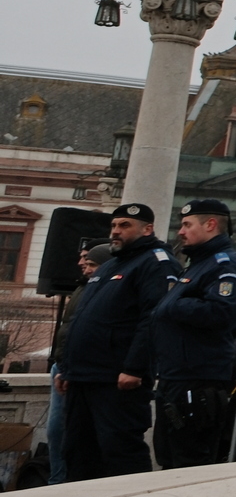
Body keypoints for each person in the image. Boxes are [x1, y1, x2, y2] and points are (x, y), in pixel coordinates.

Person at [61, 203, 178, 480]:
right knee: (77, 452)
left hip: (118, 377)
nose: (116, 231)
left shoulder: (156, 262)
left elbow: (153, 319)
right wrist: (68, 368)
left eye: (124, 226)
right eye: (114, 225)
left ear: (147, 229)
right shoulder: (110, 264)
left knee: (119, 452)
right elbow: (81, 321)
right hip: (84, 376)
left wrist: (135, 367)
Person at [148, 200, 236, 470]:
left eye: (187, 225)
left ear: (211, 225)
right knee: (168, 457)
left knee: (190, 461)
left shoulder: (226, 264)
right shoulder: (197, 264)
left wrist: (172, 304)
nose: (181, 231)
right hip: (175, 376)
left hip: (197, 379)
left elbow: (221, 312)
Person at [48, 242, 111, 483]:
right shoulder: (82, 288)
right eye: (83, 258)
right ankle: (56, 482)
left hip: (77, 370)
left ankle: (64, 485)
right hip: (64, 366)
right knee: (56, 432)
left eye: (89, 261)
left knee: (68, 433)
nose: (82, 264)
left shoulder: (101, 290)